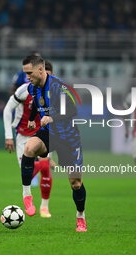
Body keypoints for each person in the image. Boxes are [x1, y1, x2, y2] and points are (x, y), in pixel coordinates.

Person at [20, 55, 87, 232]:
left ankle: (80, 217)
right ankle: (27, 195)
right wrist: (34, 118)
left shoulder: (58, 86)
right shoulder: (32, 88)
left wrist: (52, 117)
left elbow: (72, 109)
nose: (27, 77)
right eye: (25, 73)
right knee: (29, 148)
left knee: (76, 184)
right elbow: (36, 104)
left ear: (40, 70)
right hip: (49, 133)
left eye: (29, 73)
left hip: (69, 137)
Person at [3, 61, 54, 218]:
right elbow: (7, 110)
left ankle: (44, 207)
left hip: (44, 134)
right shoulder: (24, 90)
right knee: (27, 170)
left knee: (45, 169)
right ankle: (31, 188)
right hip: (23, 134)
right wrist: (8, 136)